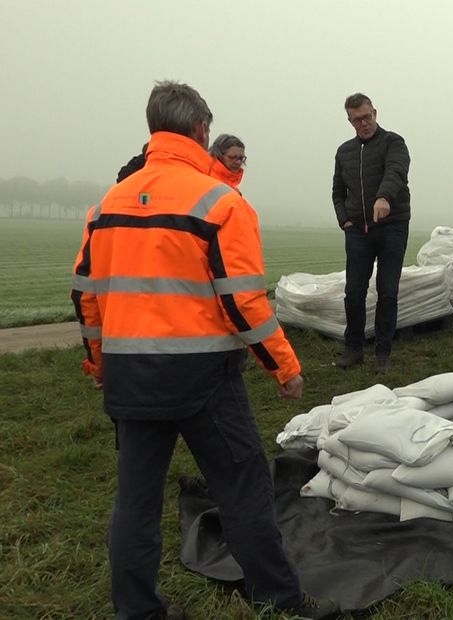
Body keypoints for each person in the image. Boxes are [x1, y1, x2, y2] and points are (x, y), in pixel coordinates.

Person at [70, 81, 337, 618]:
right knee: (242, 486)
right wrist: (283, 366)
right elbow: (243, 303)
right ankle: (279, 600)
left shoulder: (107, 206)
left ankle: (137, 610)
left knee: (136, 504)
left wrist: (100, 364)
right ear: (201, 130)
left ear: (153, 129)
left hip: (131, 377)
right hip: (203, 379)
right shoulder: (219, 202)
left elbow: (86, 296)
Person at [332, 93, 411, 372]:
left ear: (375, 113)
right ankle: (353, 348)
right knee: (354, 292)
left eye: (367, 117)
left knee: (387, 292)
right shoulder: (344, 152)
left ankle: (383, 353)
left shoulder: (394, 143)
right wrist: (344, 220)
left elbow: (396, 172)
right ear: (350, 121)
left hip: (392, 227)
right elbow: (338, 192)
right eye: (357, 120)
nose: (363, 123)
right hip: (358, 231)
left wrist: (384, 198)